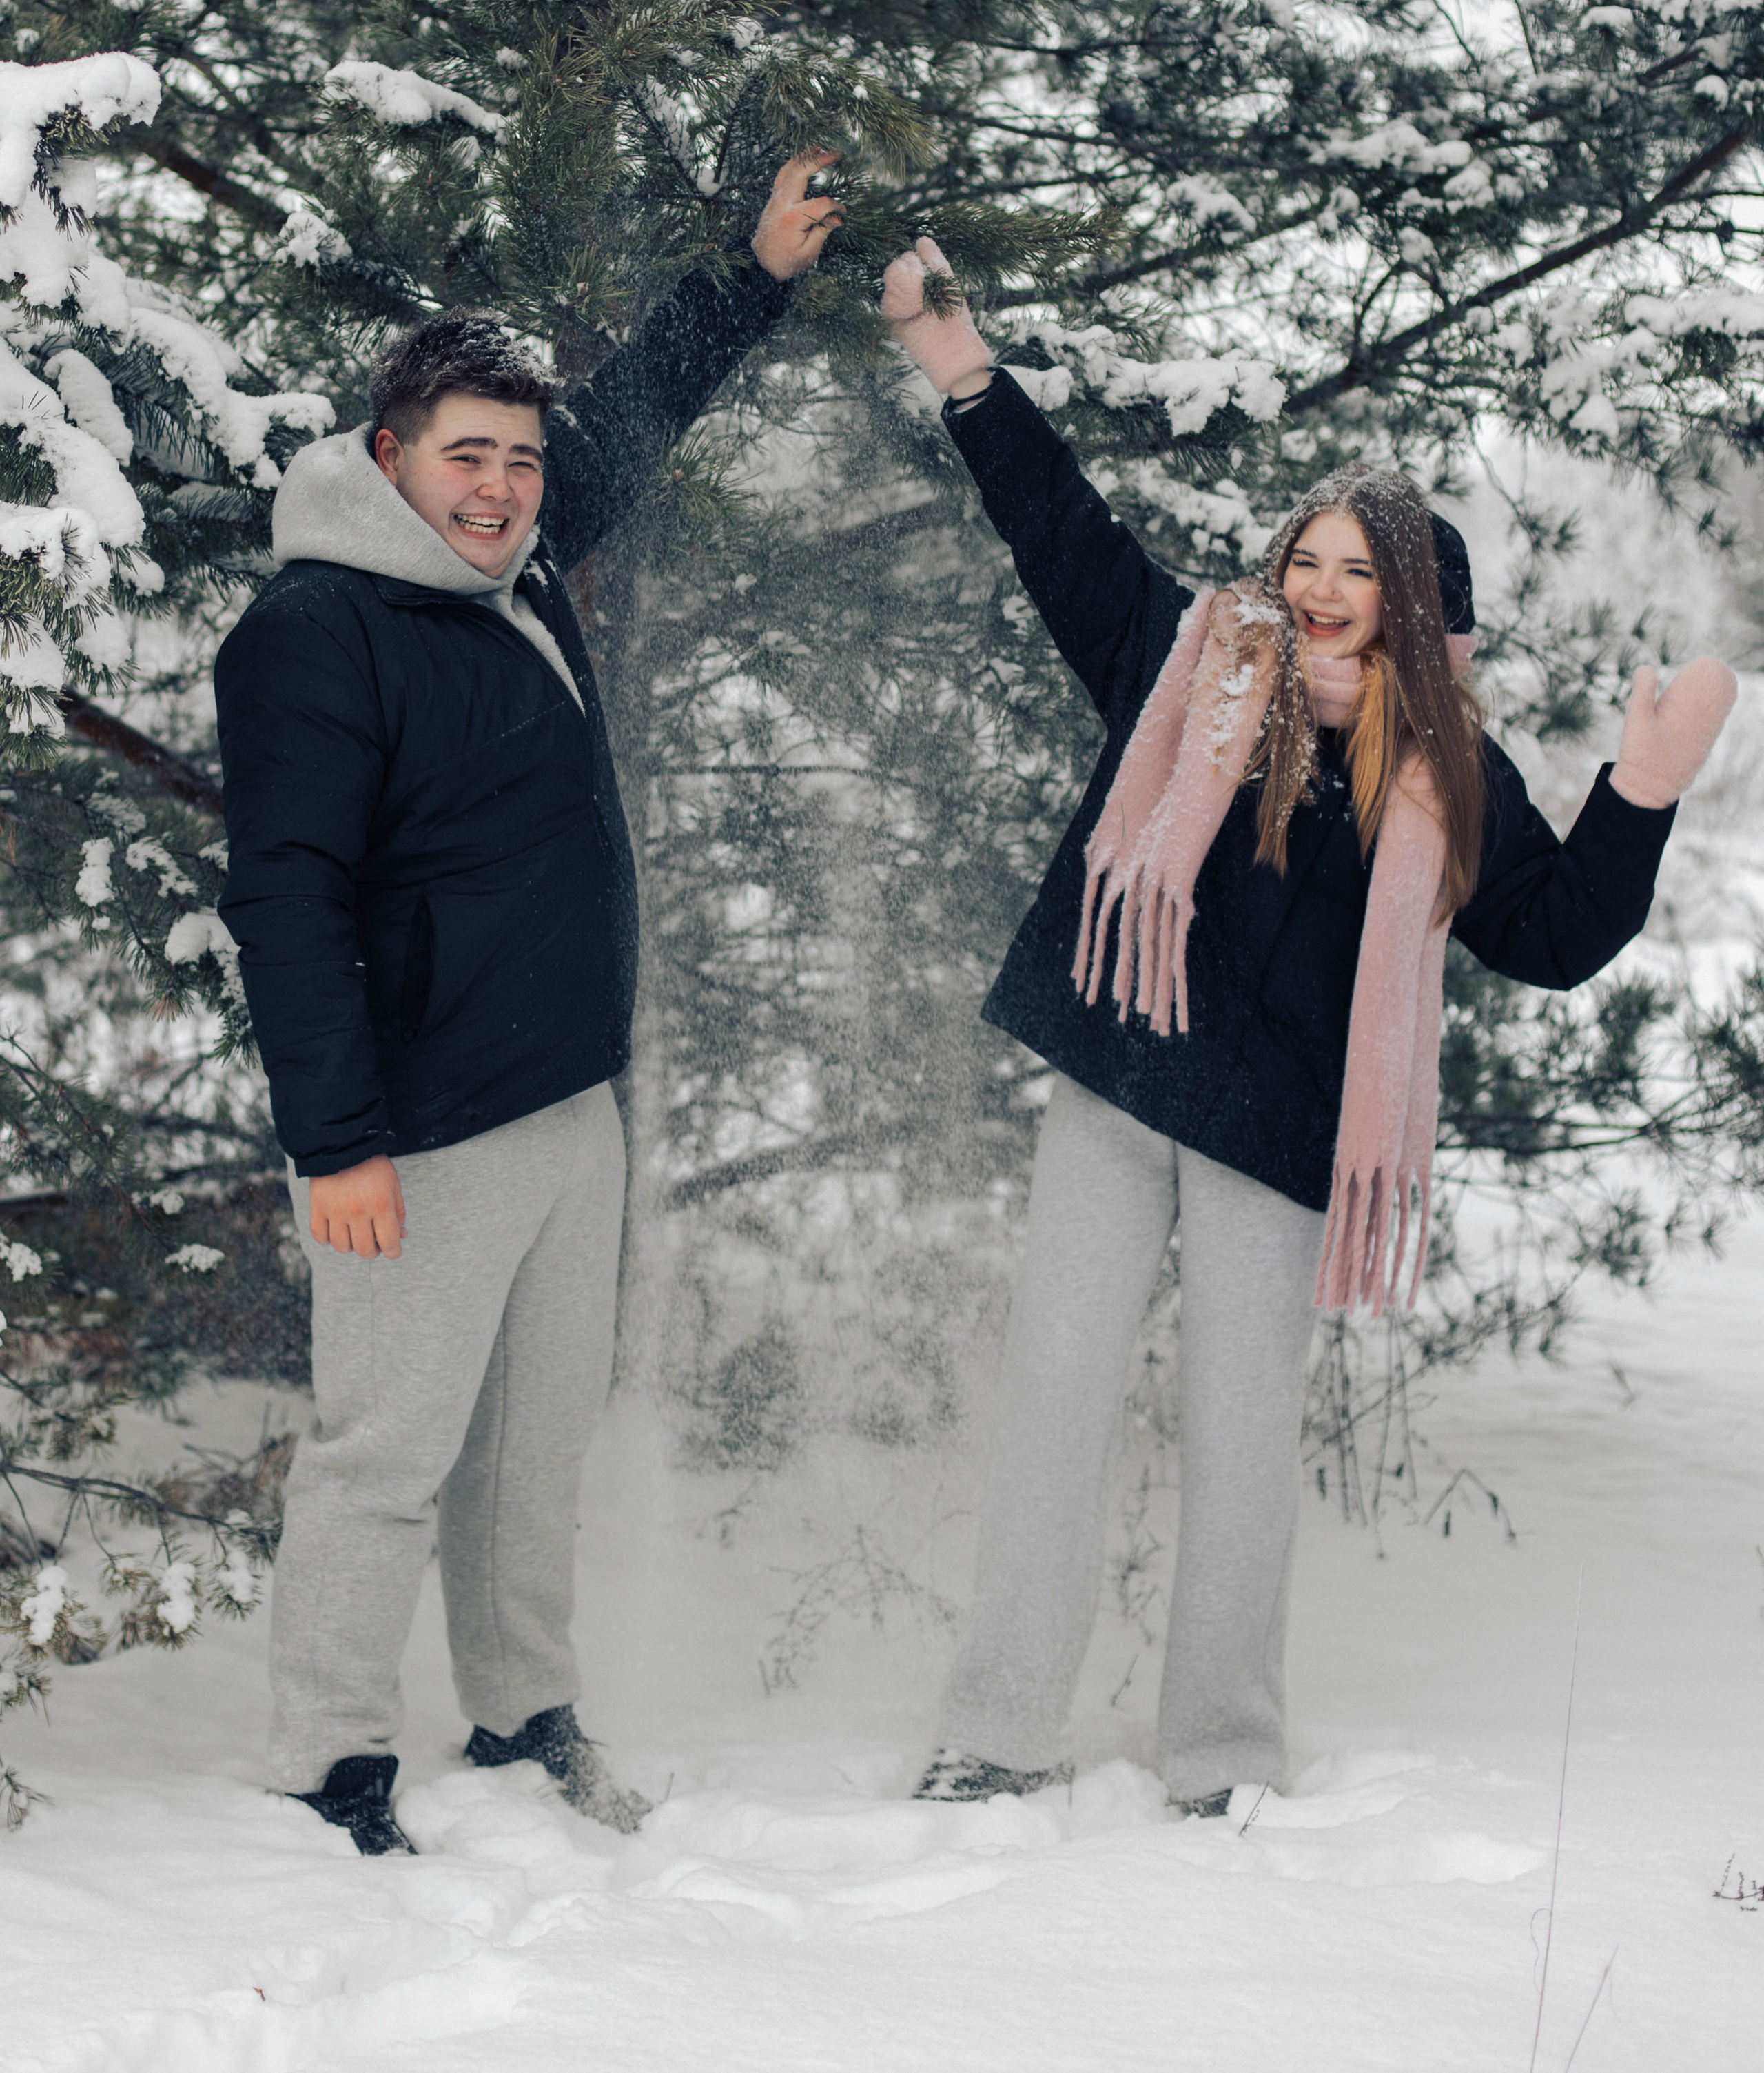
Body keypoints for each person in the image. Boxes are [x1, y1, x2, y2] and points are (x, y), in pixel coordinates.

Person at [876, 238, 1736, 1817]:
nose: (1322, 592)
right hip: (1121, 1076)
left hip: (1276, 1134)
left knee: (1238, 1448)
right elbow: (1059, 536)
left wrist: (1638, 794)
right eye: (1309, 559)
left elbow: (1550, 939)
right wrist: (961, 372)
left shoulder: (1449, 782)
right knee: (1056, 1403)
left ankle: (1216, 1759)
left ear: (1417, 612)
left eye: (1359, 572)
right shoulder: (1195, 668)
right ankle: (992, 1736)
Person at [215, 156, 841, 1855]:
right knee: (386, 1455)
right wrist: (335, 1141)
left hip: (567, 1099)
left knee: (532, 1452)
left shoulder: (510, 573)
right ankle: (327, 1762)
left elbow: (625, 426)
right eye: (462, 455)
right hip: (416, 1124)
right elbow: (284, 899)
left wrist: (752, 276)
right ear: (385, 459)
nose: (497, 487)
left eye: (515, 458)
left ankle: (518, 1712)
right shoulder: (317, 628)